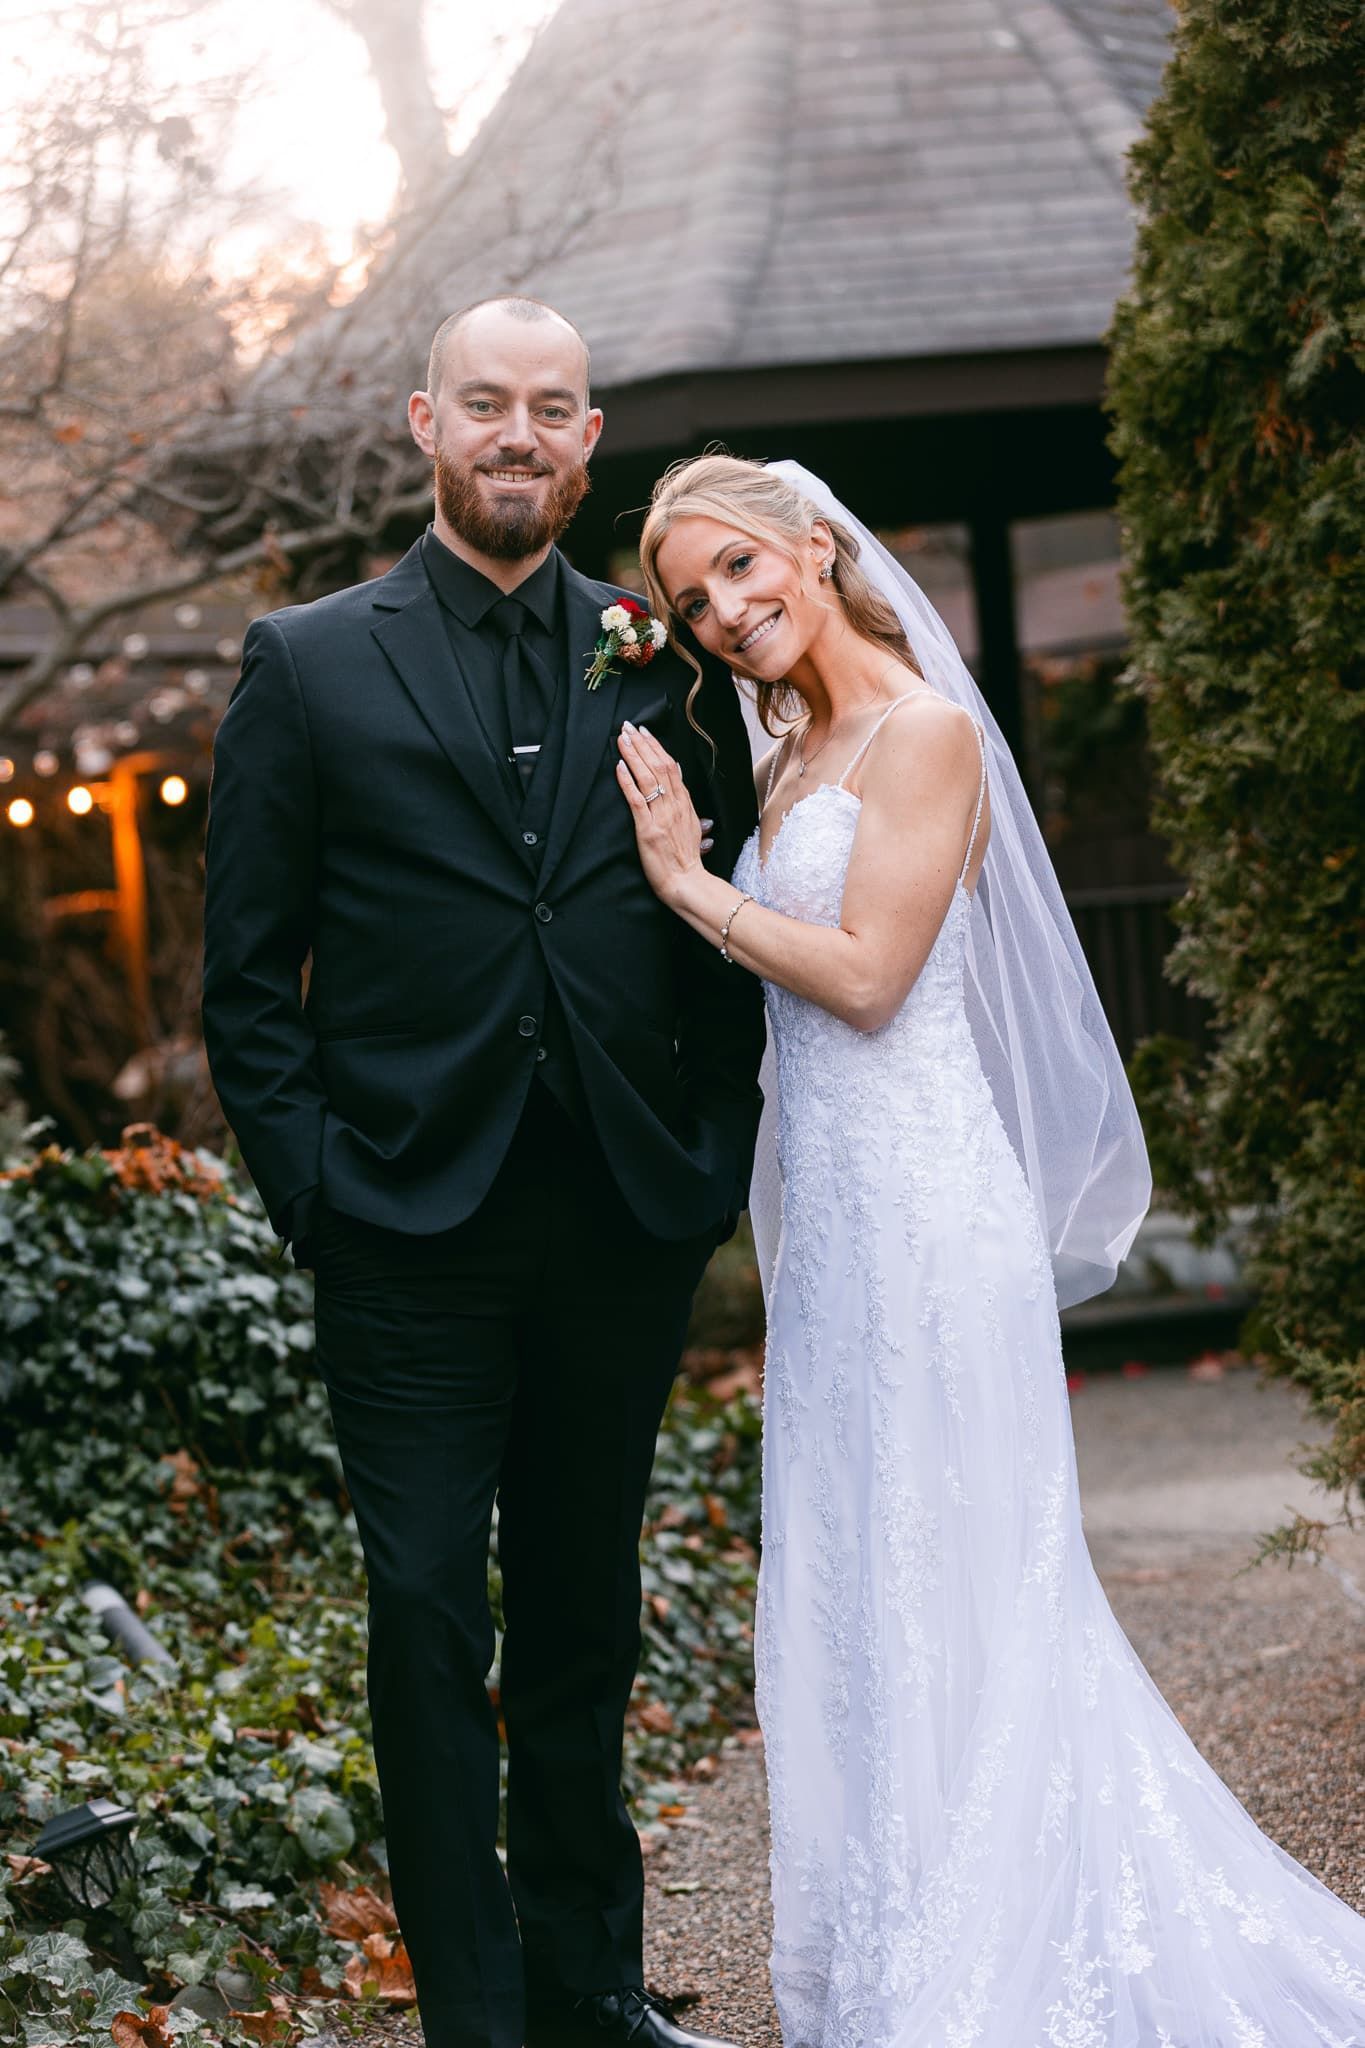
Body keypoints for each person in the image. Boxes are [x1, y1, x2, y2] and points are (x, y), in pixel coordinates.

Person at [618, 450, 1365, 2047]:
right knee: (862, 1576)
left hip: (927, 1214)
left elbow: (873, 978)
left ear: (812, 547)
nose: (727, 613)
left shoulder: (926, 731)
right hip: (828, 1220)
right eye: (694, 602)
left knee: (957, 1570)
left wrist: (685, 885)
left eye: (743, 571)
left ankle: (991, 1961)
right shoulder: (792, 749)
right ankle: (900, 1936)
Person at [202, 303, 764, 2048]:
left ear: (587, 439)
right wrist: (318, 1191)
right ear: (429, 424)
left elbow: (714, 930)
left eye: (554, 409)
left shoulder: (657, 652)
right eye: (489, 407)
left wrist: (708, 1153)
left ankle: (595, 1984)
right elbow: (245, 974)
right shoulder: (305, 660)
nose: (521, 436)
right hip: (402, 1230)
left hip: (616, 1219)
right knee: (431, 1614)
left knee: (588, 1607)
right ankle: (477, 2008)